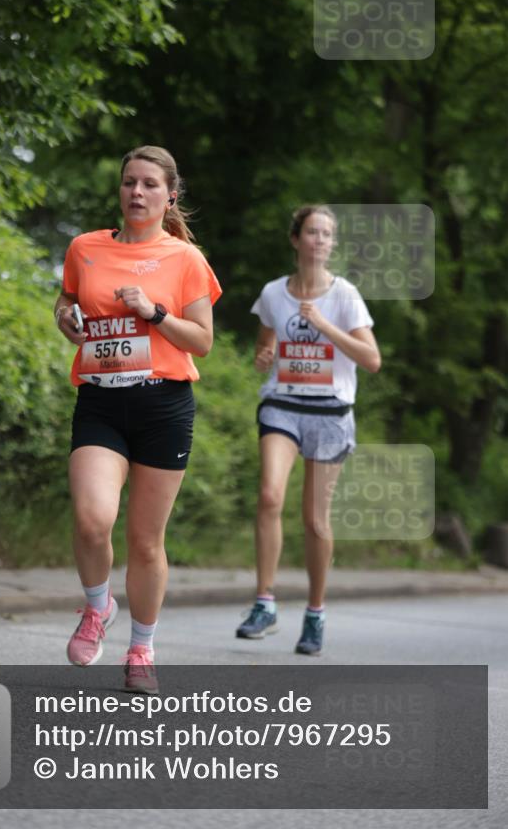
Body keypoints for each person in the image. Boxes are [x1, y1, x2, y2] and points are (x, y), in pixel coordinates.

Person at [55, 145, 222, 693]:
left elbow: (202, 341)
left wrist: (154, 311)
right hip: (101, 401)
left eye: (150, 184)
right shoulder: (86, 248)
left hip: (163, 406)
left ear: (169, 194)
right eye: (130, 182)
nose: (137, 192)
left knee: (146, 541)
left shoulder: (185, 260)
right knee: (91, 519)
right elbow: (65, 304)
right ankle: (98, 609)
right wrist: (67, 320)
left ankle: (142, 648)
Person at [236, 205, 380, 654]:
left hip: (331, 411)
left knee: (316, 519)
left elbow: (371, 360)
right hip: (282, 404)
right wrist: (263, 356)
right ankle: (265, 603)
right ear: (296, 240)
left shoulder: (345, 296)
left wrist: (324, 325)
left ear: (331, 244)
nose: (320, 240)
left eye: (327, 234)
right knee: (269, 495)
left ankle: (315, 614)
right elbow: (265, 345)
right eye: (312, 232)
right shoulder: (274, 293)